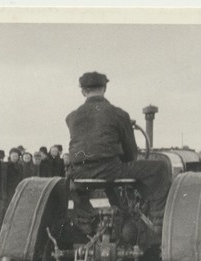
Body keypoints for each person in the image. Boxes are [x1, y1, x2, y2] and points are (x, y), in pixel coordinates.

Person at [65, 71, 171, 249]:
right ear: (105, 89)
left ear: (83, 91)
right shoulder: (118, 114)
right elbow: (130, 153)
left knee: (105, 178)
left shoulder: (72, 117)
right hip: (109, 170)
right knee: (159, 168)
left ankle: (85, 219)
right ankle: (159, 220)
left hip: (79, 173)